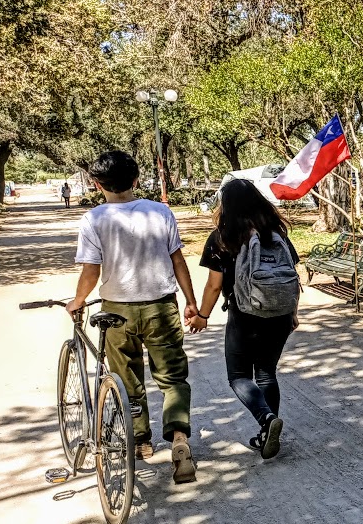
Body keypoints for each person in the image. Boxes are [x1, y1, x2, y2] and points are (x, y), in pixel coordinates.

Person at [66, 151, 198, 484]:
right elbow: (178, 262)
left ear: (97, 185)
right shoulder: (160, 212)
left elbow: (91, 270)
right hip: (161, 307)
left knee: (127, 381)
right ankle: (179, 438)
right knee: (172, 378)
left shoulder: (94, 219)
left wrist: (78, 300)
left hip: (116, 313)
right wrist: (191, 302)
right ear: (136, 180)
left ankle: (141, 442)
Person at [191, 178, 299, 460]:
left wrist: (203, 315)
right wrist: (293, 313)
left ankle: (266, 419)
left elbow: (214, 285)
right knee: (266, 373)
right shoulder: (276, 232)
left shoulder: (223, 237)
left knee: (239, 375)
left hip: (245, 315)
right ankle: (268, 431)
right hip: (281, 314)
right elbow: (290, 275)